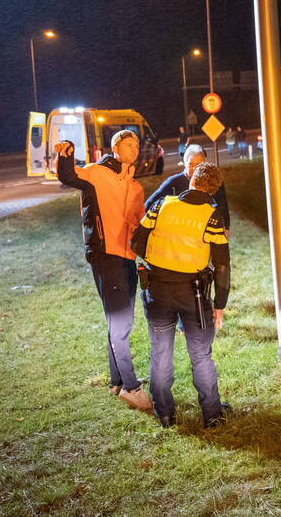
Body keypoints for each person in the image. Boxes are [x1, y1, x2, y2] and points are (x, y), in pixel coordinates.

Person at [55, 131, 151, 411]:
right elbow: (69, 176)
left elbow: (138, 225)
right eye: (128, 144)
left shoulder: (135, 186)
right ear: (115, 147)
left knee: (120, 321)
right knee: (120, 324)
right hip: (104, 255)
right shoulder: (96, 174)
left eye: (136, 144)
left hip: (127, 258)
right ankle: (132, 387)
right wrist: (66, 155)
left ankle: (116, 381)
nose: (134, 148)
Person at [132, 162, 231, 428]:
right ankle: (212, 415)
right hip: (194, 294)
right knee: (200, 354)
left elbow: (136, 240)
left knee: (161, 352)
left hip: (157, 289)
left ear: (192, 181)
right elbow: (222, 264)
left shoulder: (162, 205)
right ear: (213, 190)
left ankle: (164, 413)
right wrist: (220, 304)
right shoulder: (211, 217)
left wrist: (157, 259)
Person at [146, 144, 230, 233]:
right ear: (185, 163)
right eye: (191, 164)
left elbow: (222, 205)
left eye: (198, 164)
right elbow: (150, 204)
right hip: (180, 232)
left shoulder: (212, 181)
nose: (194, 169)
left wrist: (226, 226)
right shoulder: (173, 182)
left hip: (206, 231)